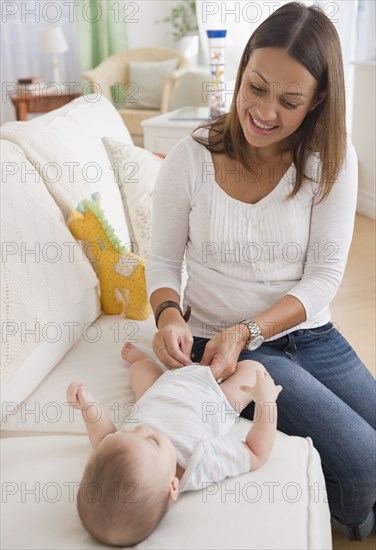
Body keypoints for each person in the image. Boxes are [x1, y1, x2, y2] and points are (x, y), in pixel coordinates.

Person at [145, 1, 376, 542]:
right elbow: (161, 262)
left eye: (290, 100)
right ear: (242, 69)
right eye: (256, 87)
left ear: (319, 99)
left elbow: (323, 276)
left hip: (310, 334)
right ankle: (355, 515)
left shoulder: (333, 161)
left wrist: (252, 325)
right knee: (365, 465)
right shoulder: (191, 158)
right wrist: (168, 315)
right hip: (228, 347)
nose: (265, 112)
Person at [66, 344, 282, 546]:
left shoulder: (129, 451)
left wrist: (88, 407)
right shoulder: (199, 461)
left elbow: (104, 438)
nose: (142, 430)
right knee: (254, 370)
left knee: (140, 370)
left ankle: (141, 361)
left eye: (131, 434)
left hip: (155, 392)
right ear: (173, 487)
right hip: (212, 398)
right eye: (152, 441)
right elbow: (256, 452)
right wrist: (266, 403)